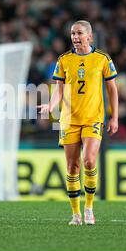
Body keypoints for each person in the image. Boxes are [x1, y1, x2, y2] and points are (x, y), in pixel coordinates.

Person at [38, 20, 119, 225]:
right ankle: (76, 214)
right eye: (73, 33)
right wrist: (51, 105)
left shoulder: (102, 58)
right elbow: (59, 89)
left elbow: (112, 89)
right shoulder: (64, 59)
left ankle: (89, 208)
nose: (75, 37)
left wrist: (114, 116)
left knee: (89, 161)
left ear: (89, 36)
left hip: (93, 118)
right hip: (69, 120)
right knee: (73, 167)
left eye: (79, 33)